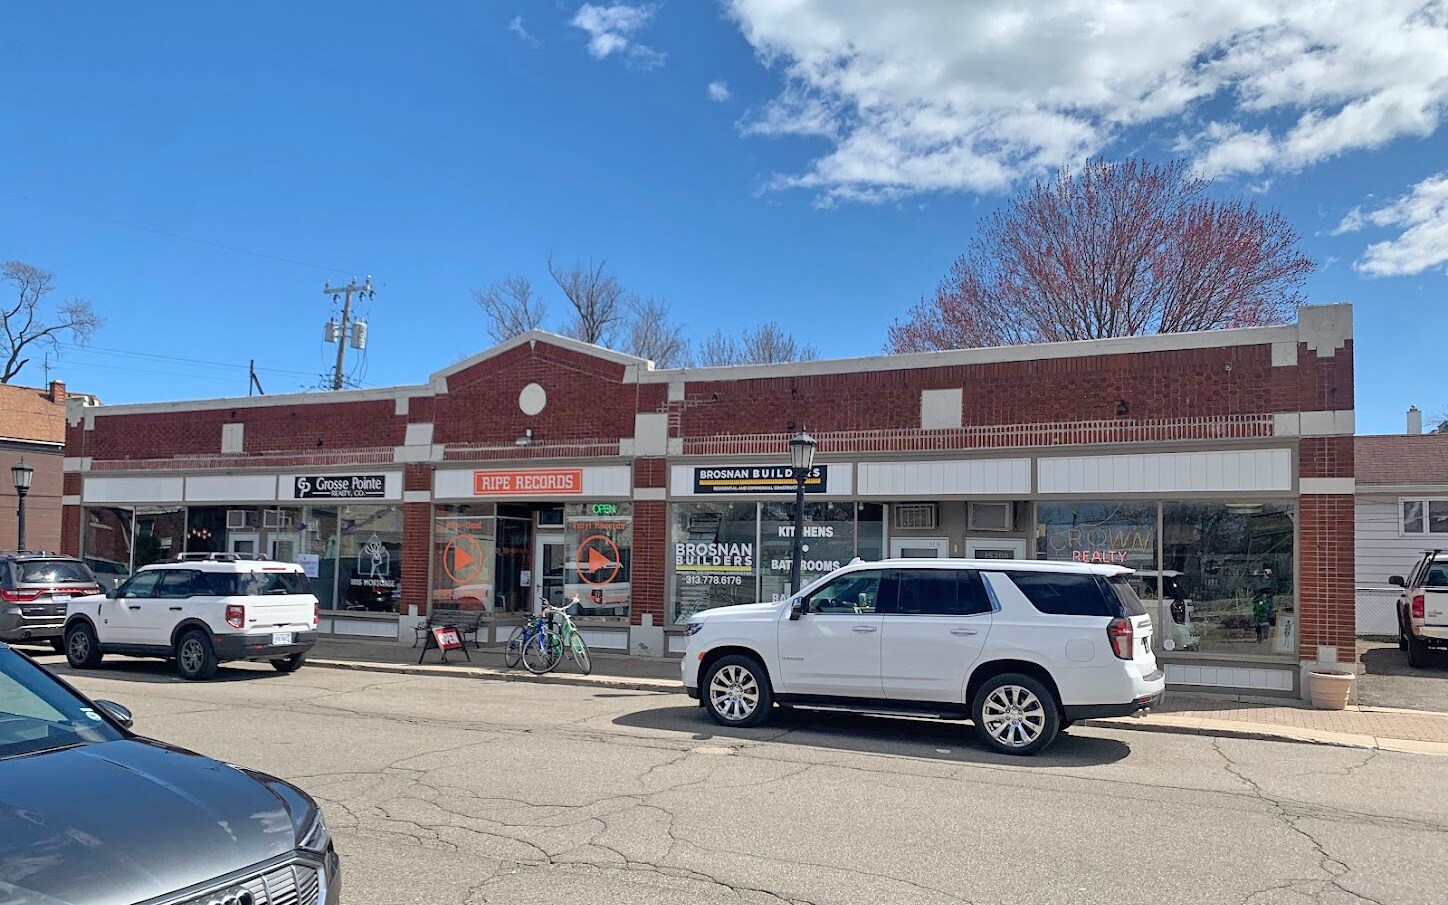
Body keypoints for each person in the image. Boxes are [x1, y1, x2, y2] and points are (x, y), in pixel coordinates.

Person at [1251, 567, 1275, 643]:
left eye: (1264, 572)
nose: (1262, 574)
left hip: (1265, 603)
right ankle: (1259, 637)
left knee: (1264, 619)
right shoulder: (1261, 581)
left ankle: (1265, 637)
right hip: (1258, 603)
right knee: (1258, 620)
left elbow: (1261, 587)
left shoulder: (1270, 582)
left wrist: (1256, 577)